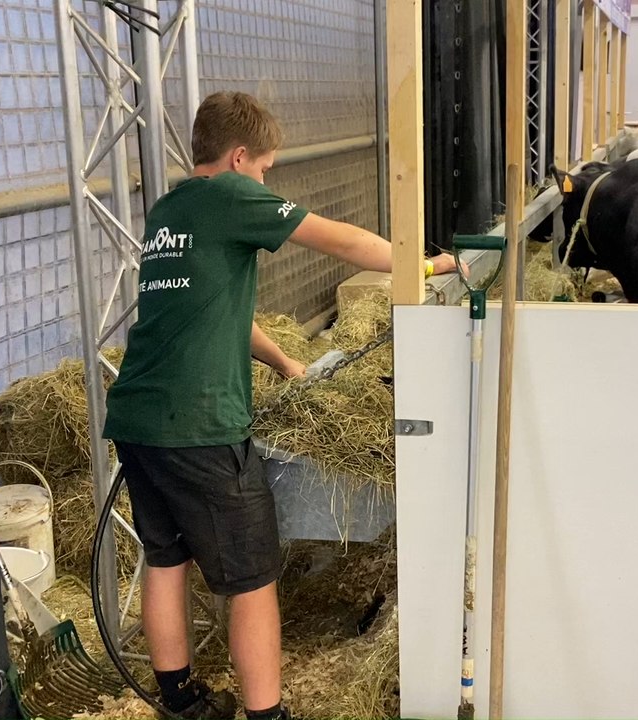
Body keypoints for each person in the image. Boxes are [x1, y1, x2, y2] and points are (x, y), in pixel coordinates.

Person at [101, 91, 462, 720]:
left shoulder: (169, 211)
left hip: (138, 417)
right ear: (240, 157)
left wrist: (286, 363)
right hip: (199, 422)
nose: (266, 181)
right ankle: (267, 714)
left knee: (166, 559)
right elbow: (341, 241)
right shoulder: (232, 196)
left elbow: (211, 310)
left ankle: (180, 699)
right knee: (252, 578)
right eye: (265, 169)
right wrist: (425, 266)